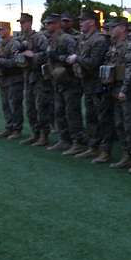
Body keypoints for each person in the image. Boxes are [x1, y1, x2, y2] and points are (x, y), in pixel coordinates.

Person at [66, 9, 112, 161]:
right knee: (91, 117)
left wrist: (77, 59)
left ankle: (105, 151)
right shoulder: (83, 39)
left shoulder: (99, 40)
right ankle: (93, 147)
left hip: (98, 85)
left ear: (92, 22)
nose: (80, 23)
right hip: (87, 84)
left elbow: (93, 63)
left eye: (82, 20)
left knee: (102, 119)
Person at [104, 18, 131, 174]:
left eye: (113, 27)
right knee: (119, 124)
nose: (109, 29)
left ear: (122, 28)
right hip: (116, 89)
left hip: (130, 92)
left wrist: (125, 89)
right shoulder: (114, 46)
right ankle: (126, 155)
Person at [45, 12, 85, 154]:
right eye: (46, 23)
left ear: (57, 24)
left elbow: (74, 58)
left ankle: (77, 142)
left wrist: (59, 57)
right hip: (58, 81)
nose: (47, 26)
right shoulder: (51, 40)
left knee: (72, 112)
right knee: (59, 112)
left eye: (49, 23)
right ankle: (64, 140)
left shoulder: (67, 39)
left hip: (70, 81)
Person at [16, 13, 49, 146]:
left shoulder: (39, 37)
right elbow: (16, 52)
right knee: (30, 107)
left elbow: (47, 54)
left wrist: (33, 55)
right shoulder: (20, 38)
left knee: (40, 106)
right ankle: (35, 133)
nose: (21, 25)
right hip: (27, 75)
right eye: (20, 23)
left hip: (39, 76)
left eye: (23, 23)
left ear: (30, 23)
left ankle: (43, 135)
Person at [0, 21, 26, 139]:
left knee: (14, 104)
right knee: (5, 105)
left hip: (14, 79)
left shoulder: (14, 44)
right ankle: (9, 127)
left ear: (7, 30)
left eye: (1, 29)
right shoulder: (1, 44)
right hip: (3, 79)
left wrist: (0, 61)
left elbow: (17, 61)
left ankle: (17, 129)